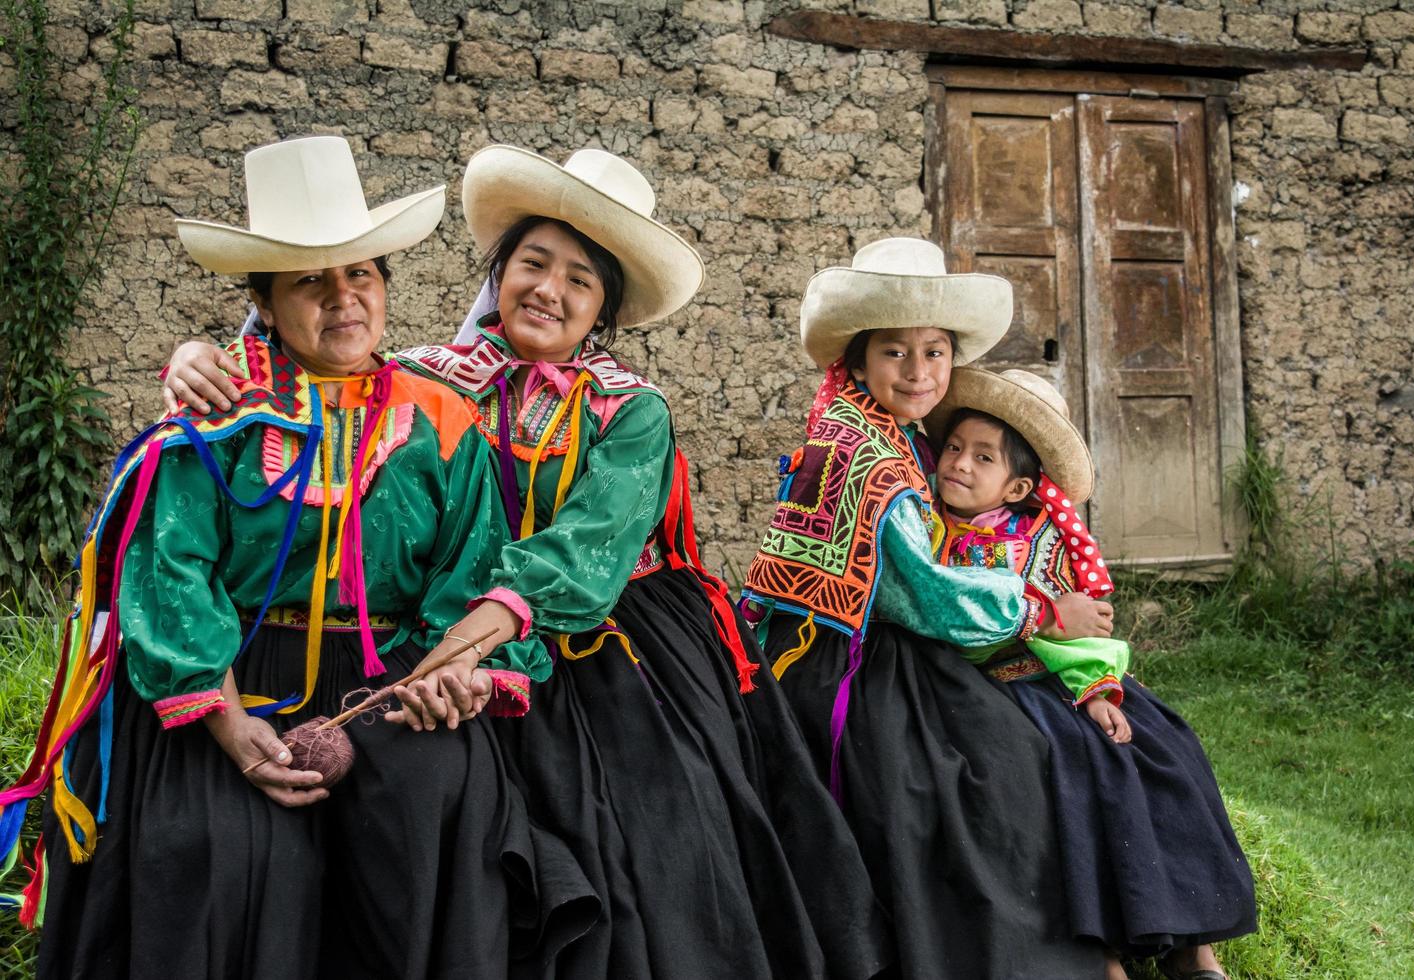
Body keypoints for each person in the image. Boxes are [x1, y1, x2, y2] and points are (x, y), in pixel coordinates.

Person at [159, 144, 890, 980]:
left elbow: (584, 548)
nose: (549, 289)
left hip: (597, 630)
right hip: (436, 632)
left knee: (650, 837)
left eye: (580, 280)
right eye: (532, 264)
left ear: (604, 309)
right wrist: (193, 360)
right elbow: (306, 355)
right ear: (498, 274)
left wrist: (467, 647)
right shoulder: (428, 378)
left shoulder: (631, 411)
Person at [0, 136, 597, 979]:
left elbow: (472, 568)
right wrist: (233, 726)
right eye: (310, 281)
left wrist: (445, 676)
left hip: (388, 671)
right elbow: (168, 573)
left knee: (430, 802)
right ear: (265, 301)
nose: (343, 299)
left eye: (361, 274)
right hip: (235, 670)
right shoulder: (215, 414)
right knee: (222, 844)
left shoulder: (444, 417)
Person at [742, 236, 1114, 978]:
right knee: (987, 765)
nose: (919, 373)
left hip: (861, 638)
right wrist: (1043, 609)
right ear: (857, 359)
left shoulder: (885, 428)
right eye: (896, 354)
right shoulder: (868, 453)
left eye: (936, 352)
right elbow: (928, 596)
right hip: (837, 661)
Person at [928, 367, 1258, 980]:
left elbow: (1084, 632)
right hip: (992, 685)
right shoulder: (932, 536)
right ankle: (1102, 953)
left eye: (983, 458)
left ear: (1017, 487)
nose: (959, 465)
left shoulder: (1042, 542)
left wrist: (1097, 690)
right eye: (953, 448)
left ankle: (1194, 949)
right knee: (1075, 768)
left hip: (1065, 680)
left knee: (1166, 752)